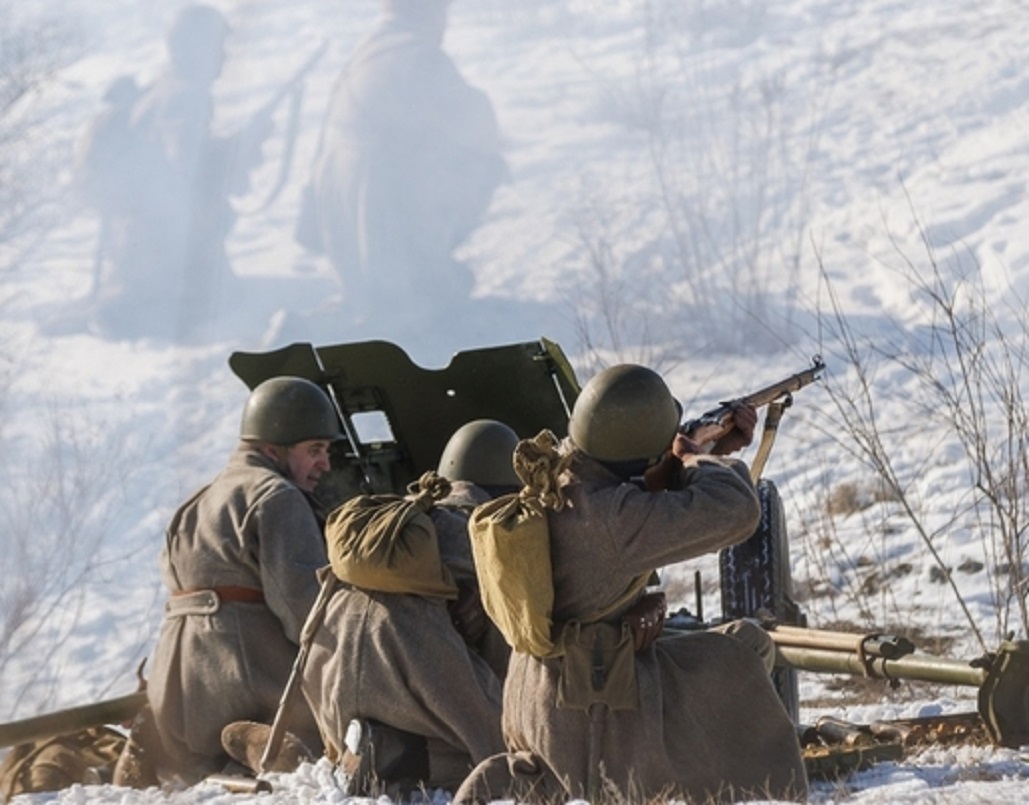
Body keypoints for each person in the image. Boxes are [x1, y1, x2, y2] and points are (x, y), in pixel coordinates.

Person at [454, 365, 809, 804]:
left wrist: (693, 456)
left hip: (538, 701)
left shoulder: (564, 474)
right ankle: (753, 784)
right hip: (593, 717)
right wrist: (698, 459)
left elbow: (636, 506)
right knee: (743, 649)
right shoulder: (613, 518)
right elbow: (736, 511)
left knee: (736, 641)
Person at [113, 376, 342, 787]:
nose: (325, 463)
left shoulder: (196, 501)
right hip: (249, 693)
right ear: (273, 449)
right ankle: (256, 746)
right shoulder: (277, 497)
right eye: (315, 450)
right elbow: (307, 616)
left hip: (179, 703)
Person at [292, 419, 521, 797]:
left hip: (333, 694)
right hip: (413, 678)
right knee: (515, 756)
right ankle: (392, 758)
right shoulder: (484, 535)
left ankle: (361, 752)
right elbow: (508, 654)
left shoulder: (403, 524)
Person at [295, 0, 507, 330]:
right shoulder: (419, 56)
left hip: (345, 190)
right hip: (376, 191)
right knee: (475, 169)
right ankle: (417, 290)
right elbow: (474, 118)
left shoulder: (369, 51)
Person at [75, 4, 269, 341]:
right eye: (218, 47)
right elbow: (189, 171)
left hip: (144, 246)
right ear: (198, 49)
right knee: (229, 306)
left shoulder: (163, 88)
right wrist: (244, 146)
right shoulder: (186, 97)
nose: (224, 59)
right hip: (166, 256)